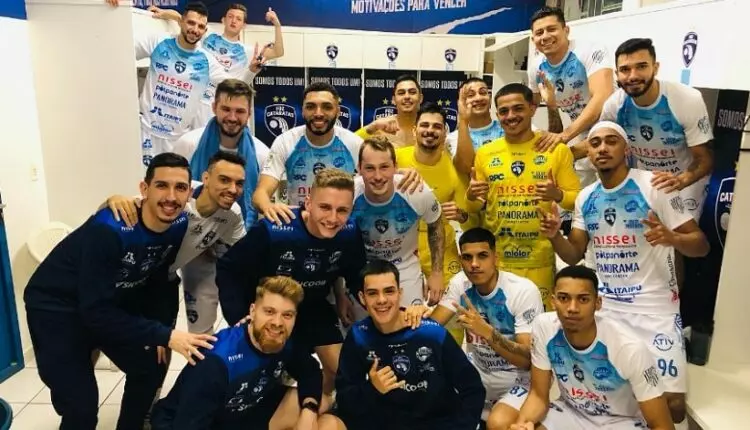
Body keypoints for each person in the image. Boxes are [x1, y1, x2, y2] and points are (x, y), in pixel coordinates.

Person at [23, 153, 216, 430]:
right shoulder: (110, 229)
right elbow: (95, 311)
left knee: (150, 367)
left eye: (180, 188)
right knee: (80, 407)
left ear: (189, 194)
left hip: (106, 302)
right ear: (144, 189)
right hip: (57, 308)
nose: (171, 197)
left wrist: (159, 329)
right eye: (162, 185)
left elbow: (158, 278)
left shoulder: (179, 224)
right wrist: (165, 334)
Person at [537, 121, 710, 426]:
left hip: (655, 308)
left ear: (626, 149)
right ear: (589, 152)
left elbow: (701, 245)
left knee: (673, 406)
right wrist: (554, 236)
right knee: (616, 394)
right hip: (609, 308)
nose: (602, 148)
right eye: (595, 143)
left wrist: (672, 238)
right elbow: (574, 254)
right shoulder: (585, 197)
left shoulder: (655, 186)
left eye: (611, 141)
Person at [217, 168, 368, 395]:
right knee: (268, 376)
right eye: (325, 207)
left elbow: (356, 275)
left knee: (341, 371)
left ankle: (317, 408)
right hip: (273, 310)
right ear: (308, 203)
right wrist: (239, 317)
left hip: (314, 306)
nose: (333, 218)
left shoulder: (349, 232)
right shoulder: (276, 230)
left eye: (342, 210)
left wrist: (384, 307)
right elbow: (229, 268)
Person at [150, 276, 342, 430]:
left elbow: (310, 372)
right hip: (193, 422)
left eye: (287, 315)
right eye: (269, 311)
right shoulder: (216, 362)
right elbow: (188, 424)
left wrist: (309, 410)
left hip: (245, 411)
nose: (277, 323)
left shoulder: (283, 341)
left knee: (330, 421)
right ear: (253, 311)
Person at [497, 265, 675, 430]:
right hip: (571, 412)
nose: (572, 308)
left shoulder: (628, 348)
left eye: (583, 299)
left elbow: (662, 425)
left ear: (598, 303)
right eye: (564, 298)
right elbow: (538, 396)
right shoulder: (544, 327)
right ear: (553, 301)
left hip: (621, 421)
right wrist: (522, 425)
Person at [404, 227, 544, 424]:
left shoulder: (522, 291)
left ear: (496, 258)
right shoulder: (460, 283)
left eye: (482, 256)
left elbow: (526, 360)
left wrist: (487, 333)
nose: (474, 264)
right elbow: (432, 327)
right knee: (428, 403)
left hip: (517, 378)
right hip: (477, 373)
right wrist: (417, 314)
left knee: (498, 422)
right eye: (467, 257)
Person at [106, 151, 247, 335]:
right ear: (205, 178)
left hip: (165, 281)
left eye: (239, 183)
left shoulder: (233, 215)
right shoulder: (179, 197)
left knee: (163, 342)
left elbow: (244, 256)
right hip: (127, 280)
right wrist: (113, 200)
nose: (233, 189)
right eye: (224, 180)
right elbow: (127, 207)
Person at [335, 259, 485, 430]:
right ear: (362, 298)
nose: (382, 300)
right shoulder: (359, 336)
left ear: (400, 293)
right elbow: (344, 401)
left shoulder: (431, 333)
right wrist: (372, 389)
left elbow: (472, 388)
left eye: (389, 291)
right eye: (372, 293)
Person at [468, 83, 580, 309]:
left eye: (518, 108)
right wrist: (470, 196)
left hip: (538, 261)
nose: (511, 116)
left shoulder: (555, 150)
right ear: (497, 114)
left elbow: (577, 200)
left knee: (537, 326)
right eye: (503, 111)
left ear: (532, 108)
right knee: (496, 325)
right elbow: (475, 208)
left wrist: (557, 194)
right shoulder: (485, 153)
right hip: (497, 261)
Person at [253, 81, 421, 225]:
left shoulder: (353, 143)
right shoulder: (285, 141)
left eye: (327, 107)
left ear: (338, 111)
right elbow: (261, 193)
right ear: (302, 110)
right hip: (302, 226)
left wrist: (402, 173)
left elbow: (377, 172)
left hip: (342, 226)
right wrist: (269, 207)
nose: (318, 113)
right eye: (311, 107)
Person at [601, 38, 714, 221]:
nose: (632, 76)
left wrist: (680, 180)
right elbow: (596, 143)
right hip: (645, 181)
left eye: (641, 66)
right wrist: (563, 149)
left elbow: (705, 159)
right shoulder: (614, 105)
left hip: (685, 181)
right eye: (625, 69)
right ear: (617, 74)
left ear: (655, 68)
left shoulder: (687, 99)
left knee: (683, 235)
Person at [395, 102, 481, 342]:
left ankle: (446, 359)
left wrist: (462, 215)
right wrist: (398, 173)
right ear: (415, 130)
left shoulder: (454, 168)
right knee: (401, 319)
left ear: (444, 132)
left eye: (436, 127)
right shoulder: (396, 159)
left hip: (442, 253)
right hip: (403, 251)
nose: (430, 131)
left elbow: (470, 220)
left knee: (454, 316)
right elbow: (366, 171)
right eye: (424, 125)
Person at [125, 1, 237, 165]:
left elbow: (236, 87)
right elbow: (122, 49)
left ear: (205, 30)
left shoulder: (207, 61)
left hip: (178, 140)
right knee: (139, 180)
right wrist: (112, 9)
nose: (195, 30)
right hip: (145, 133)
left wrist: (253, 70)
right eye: (191, 23)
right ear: (181, 22)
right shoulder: (159, 41)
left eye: (200, 26)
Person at [148, 4, 285, 126]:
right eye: (230, 16)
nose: (233, 21)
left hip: (221, 105)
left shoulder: (248, 51)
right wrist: (163, 12)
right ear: (223, 20)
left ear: (244, 25)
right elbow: (180, 18)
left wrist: (277, 24)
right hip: (193, 98)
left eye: (238, 19)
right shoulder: (208, 35)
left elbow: (278, 51)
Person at [527, 6, 615, 188]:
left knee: (614, 188)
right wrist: (551, 106)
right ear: (533, 39)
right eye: (539, 32)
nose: (545, 36)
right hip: (582, 132)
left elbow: (602, 97)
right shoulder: (536, 68)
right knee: (579, 191)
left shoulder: (589, 50)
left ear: (566, 30)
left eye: (551, 29)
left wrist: (565, 135)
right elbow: (528, 108)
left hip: (615, 125)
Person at [353, 137, 446, 307]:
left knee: (410, 322)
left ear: (395, 167)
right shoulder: (350, 194)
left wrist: (437, 272)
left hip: (404, 267)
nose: (378, 176)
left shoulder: (416, 191)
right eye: (369, 168)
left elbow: (436, 223)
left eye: (384, 167)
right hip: (361, 269)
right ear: (359, 169)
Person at [173, 79, 269, 227]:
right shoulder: (188, 144)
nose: (232, 117)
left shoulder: (262, 154)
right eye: (226, 109)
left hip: (241, 234)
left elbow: (262, 207)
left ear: (249, 113)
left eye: (240, 111)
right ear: (214, 108)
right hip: (188, 230)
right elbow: (171, 190)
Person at [357, 74, 424, 148]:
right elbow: (349, 146)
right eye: (401, 93)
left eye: (412, 92)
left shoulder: (430, 128)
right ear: (393, 100)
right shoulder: (380, 129)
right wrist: (372, 127)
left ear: (420, 98)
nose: (407, 96)